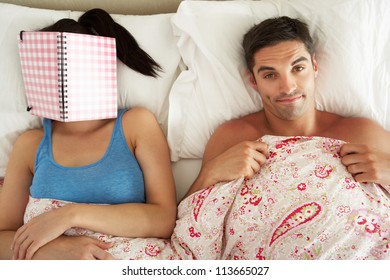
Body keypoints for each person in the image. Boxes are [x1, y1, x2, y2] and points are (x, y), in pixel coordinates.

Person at [0, 9, 177, 260]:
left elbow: (164, 219)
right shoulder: (30, 144)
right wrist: (52, 251)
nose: (63, 83)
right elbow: (2, 236)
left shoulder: (136, 125)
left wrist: (70, 215)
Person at [185, 16, 390, 198]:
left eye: (298, 68)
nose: (288, 87)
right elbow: (187, 219)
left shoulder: (362, 133)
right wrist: (209, 173)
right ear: (254, 81)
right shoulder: (231, 136)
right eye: (270, 75)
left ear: (314, 67)